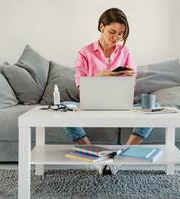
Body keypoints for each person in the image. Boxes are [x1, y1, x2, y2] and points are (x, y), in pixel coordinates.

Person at [63, 8, 153, 145]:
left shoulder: (125, 53)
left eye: (120, 34)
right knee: (63, 109)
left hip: (122, 105)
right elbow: (81, 87)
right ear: (101, 27)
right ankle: (93, 153)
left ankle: (124, 153)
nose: (116, 38)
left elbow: (131, 85)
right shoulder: (85, 53)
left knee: (153, 108)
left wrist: (128, 80)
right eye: (112, 32)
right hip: (92, 105)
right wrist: (100, 76)